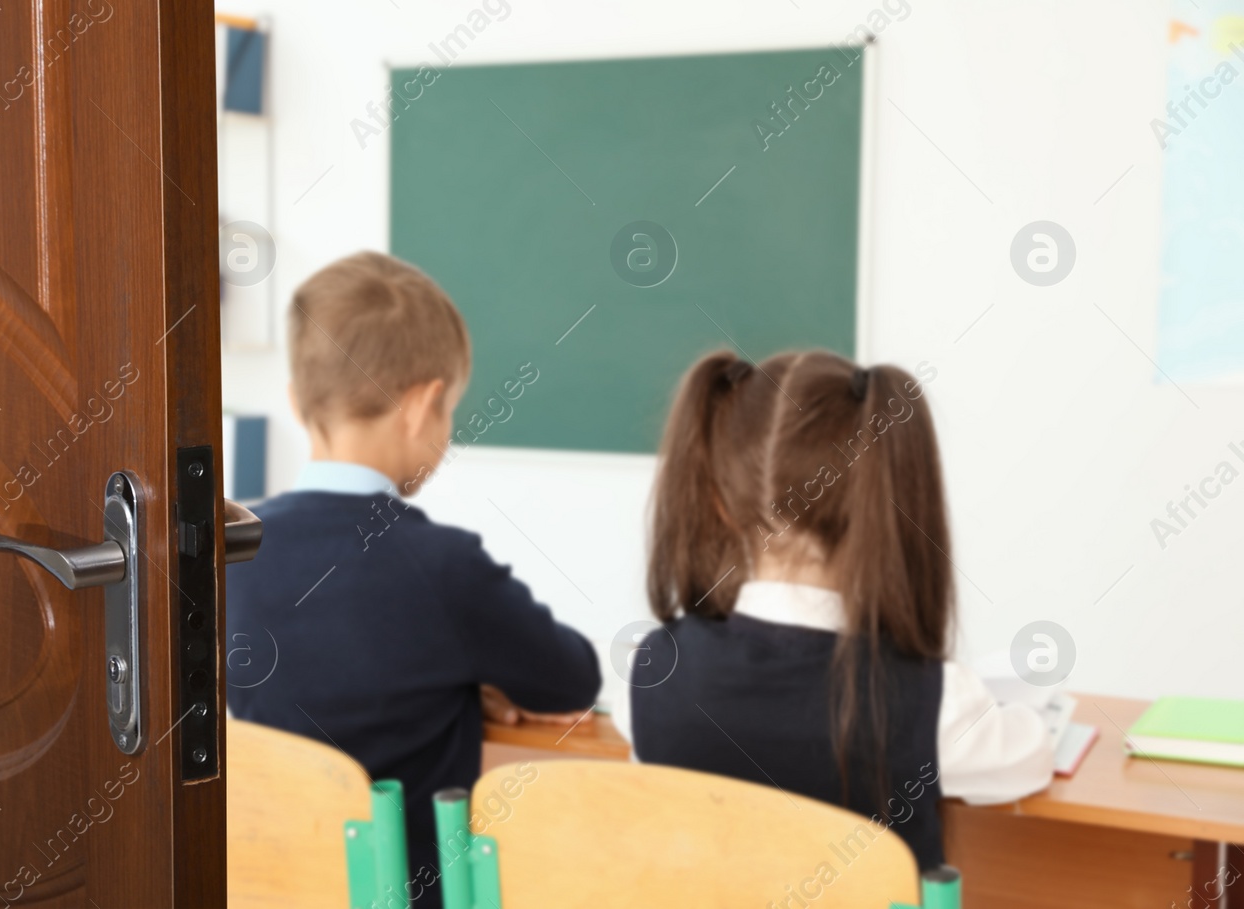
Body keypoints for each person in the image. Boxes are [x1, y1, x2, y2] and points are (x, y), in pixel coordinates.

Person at [227, 251, 600, 907]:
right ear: (423, 406)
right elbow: (573, 677)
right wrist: (473, 671)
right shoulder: (442, 566)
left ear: (296, 401)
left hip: (272, 887)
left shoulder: (231, 550)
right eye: (451, 410)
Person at [626, 349, 1053, 871]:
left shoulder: (651, 672)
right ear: (877, 500)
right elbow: (1029, 761)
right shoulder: (938, 703)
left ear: (721, 503)